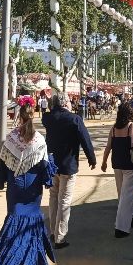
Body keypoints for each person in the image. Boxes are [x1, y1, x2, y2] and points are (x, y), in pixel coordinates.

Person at [0, 103, 56, 265]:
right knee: (31, 222)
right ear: (34, 115)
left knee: (14, 218)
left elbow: (3, 162)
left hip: (15, 185)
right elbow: (45, 166)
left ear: (19, 116)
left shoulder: (12, 137)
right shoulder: (39, 139)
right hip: (32, 186)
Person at [42, 92, 96, 249]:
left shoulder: (48, 118)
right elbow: (85, 140)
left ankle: (52, 232)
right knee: (64, 201)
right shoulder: (74, 119)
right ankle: (60, 237)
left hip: (51, 164)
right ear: (66, 103)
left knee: (53, 197)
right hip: (68, 164)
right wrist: (91, 159)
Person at [100, 102, 133, 237]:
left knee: (122, 194)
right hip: (130, 164)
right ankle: (121, 227)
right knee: (127, 195)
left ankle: (131, 214)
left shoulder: (114, 128)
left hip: (117, 164)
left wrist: (103, 163)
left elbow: (108, 147)